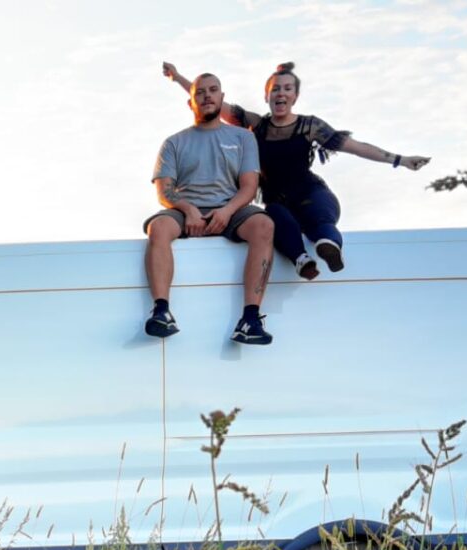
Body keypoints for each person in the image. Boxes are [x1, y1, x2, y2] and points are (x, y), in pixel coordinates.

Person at [162, 61, 430, 278]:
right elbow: (210, 101)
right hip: (278, 201)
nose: (281, 93)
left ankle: (329, 248)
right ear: (267, 96)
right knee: (276, 219)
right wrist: (178, 78)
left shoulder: (310, 126)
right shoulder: (257, 126)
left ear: (295, 96)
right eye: (275, 89)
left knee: (319, 222)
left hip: (310, 193)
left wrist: (401, 160)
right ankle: (302, 261)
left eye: (287, 89)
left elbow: (356, 147)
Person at [144, 72, 275, 345]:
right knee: (158, 226)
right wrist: (188, 209)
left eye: (213, 90)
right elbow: (164, 192)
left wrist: (226, 211)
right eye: (200, 92)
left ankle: (250, 320)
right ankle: (161, 311)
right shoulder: (174, 142)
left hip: (230, 209)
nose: (207, 96)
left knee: (264, 225)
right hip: (186, 209)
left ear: (221, 97)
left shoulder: (243, 137)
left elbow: (249, 187)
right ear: (190, 102)